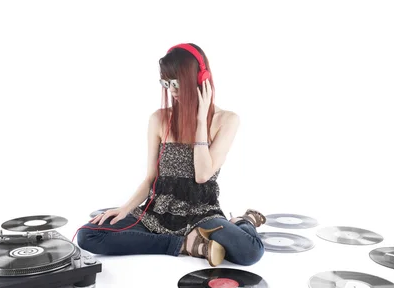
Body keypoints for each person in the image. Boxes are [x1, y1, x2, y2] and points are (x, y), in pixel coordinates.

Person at [76, 43, 265, 266]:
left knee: (249, 251)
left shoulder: (227, 120)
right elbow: (150, 178)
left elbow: (202, 175)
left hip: (201, 215)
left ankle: (245, 220)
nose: (172, 90)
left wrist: (200, 120)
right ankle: (184, 244)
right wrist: (124, 209)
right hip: (158, 212)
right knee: (88, 234)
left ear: (200, 79)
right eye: (166, 82)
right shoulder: (158, 119)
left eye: (176, 82)